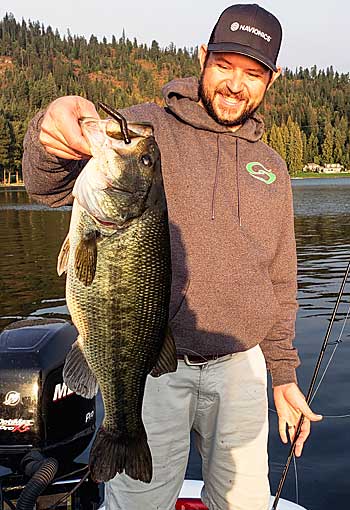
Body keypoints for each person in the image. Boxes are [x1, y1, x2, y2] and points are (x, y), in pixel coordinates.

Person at [22, 4, 323, 509]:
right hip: (151, 364)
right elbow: (47, 184)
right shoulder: (142, 131)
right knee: (137, 501)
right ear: (202, 56)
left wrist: (284, 376)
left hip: (241, 370)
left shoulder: (271, 166)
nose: (234, 83)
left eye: (253, 73)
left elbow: (279, 278)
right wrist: (48, 135)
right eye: (224, 64)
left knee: (245, 502)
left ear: (272, 79)